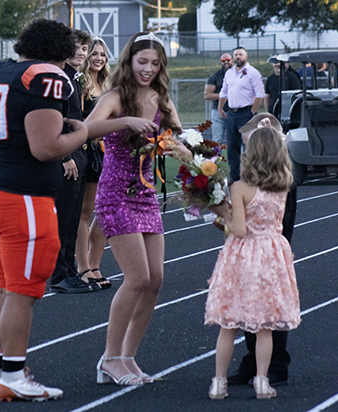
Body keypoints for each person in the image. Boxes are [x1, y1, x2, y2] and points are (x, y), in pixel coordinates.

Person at [0, 19, 88, 401]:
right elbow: (46, 148)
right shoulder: (46, 76)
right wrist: (82, 134)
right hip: (23, 199)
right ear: (59, 52)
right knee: (21, 292)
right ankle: (13, 376)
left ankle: (1, 371)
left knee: (6, 290)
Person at [85, 32, 192, 385]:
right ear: (129, 60)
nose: (147, 68)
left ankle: (127, 357)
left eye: (155, 63)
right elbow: (87, 130)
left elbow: (176, 138)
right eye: (142, 61)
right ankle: (109, 358)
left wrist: (184, 152)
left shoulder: (161, 98)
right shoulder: (115, 97)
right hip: (116, 192)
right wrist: (127, 121)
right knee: (138, 278)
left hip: (147, 195)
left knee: (156, 280)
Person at [205, 125, 300, 400]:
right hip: (272, 256)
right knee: (264, 326)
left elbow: (240, 229)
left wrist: (221, 211)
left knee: (228, 322)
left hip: (243, 256)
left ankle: (219, 383)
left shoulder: (240, 187)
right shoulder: (283, 185)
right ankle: (261, 381)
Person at [226, 113, 298, 387]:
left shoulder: (282, 182)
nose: (246, 152)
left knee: (269, 310)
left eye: (249, 146)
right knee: (252, 309)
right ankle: (254, 361)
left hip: (268, 248)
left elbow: (284, 223)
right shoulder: (250, 179)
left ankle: (275, 363)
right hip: (254, 248)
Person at [49, 29, 95, 294]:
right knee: (63, 218)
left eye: (84, 48)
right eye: (77, 48)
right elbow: (55, 118)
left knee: (73, 217)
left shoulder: (75, 78)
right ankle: (59, 274)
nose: (81, 53)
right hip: (65, 154)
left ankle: (69, 270)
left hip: (79, 152)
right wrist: (65, 156)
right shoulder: (59, 77)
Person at [74, 37, 111, 288]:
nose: (98, 58)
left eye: (102, 55)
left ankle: (95, 264)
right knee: (84, 212)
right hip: (87, 152)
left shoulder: (109, 85)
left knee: (106, 211)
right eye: (94, 54)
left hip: (108, 154)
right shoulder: (80, 83)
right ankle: (83, 267)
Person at [218, 47, 265, 182]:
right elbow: (224, 91)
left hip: (246, 112)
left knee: (249, 146)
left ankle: (253, 176)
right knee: (232, 146)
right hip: (232, 113)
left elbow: (260, 93)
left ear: (246, 56)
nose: (238, 57)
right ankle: (234, 176)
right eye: (236, 55)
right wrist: (221, 108)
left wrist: (252, 111)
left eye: (240, 54)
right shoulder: (229, 73)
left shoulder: (253, 73)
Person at [204, 53, 232, 144]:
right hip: (217, 113)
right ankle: (215, 158)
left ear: (232, 60)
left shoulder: (238, 75)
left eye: (228, 60)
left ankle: (237, 158)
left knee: (235, 140)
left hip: (234, 112)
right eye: (223, 61)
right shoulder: (215, 77)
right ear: (220, 62)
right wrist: (224, 95)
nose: (226, 62)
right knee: (217, 140)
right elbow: (207, 95)